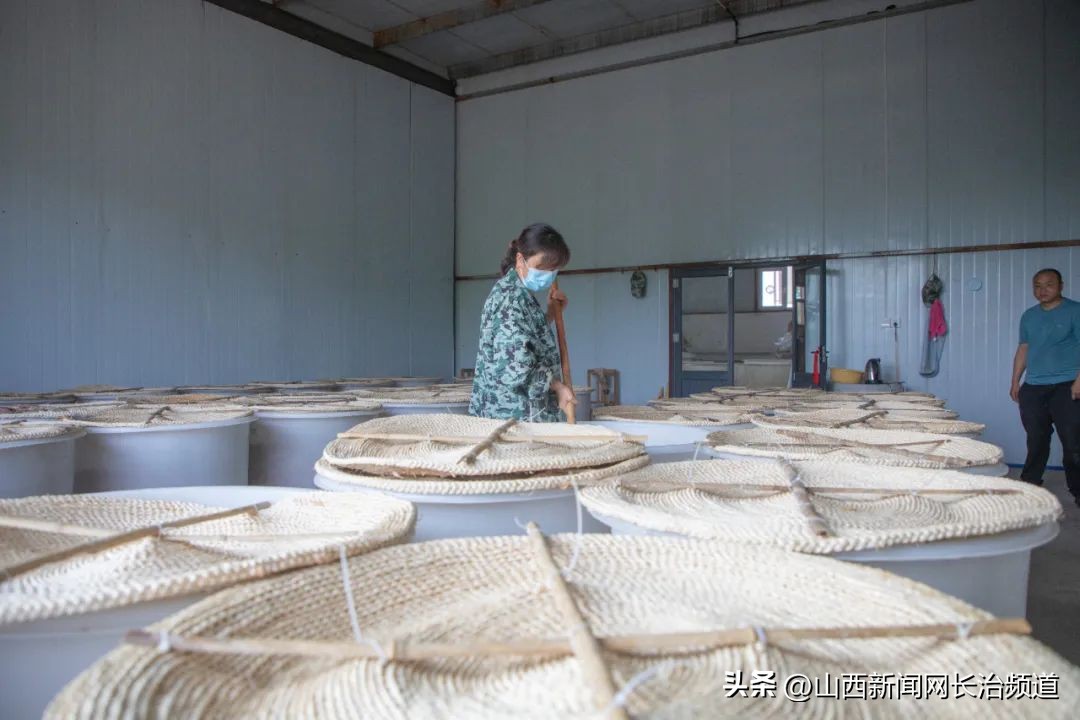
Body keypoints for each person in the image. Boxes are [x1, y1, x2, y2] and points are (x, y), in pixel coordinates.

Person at [469, 223, 576, 422]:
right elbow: (515, 366)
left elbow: (523, 340)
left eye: (554, 270)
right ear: (520, 259)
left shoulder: (520, 294)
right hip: (510, 416)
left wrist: (550, 315)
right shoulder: (509, 299)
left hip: (520, 415)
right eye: (542, 269)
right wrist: (557, 386)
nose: (548, 276)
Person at [1010, 268, 1080, 507]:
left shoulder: (1075, 311)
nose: (1042, 290)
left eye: (1049, 284)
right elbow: (1024, 348)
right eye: (1037, 285)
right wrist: (1015, 381)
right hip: (1034, 386)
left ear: (1061, 285)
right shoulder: (1029, 316)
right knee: (1036, 439)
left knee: (1073, 442)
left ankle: (1078, 490)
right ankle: (1031, 482)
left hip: (1067, 386)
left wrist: (1079, 381)